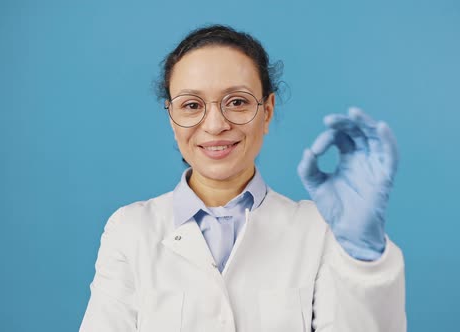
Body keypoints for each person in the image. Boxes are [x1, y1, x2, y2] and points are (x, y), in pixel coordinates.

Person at [79, 24, 406, 332]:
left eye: (237, 102)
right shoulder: (130, 229)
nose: (215, 124)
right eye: (192, 105)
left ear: (267, 111)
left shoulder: (320, 230)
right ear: (172, 117)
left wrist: (364, 254)